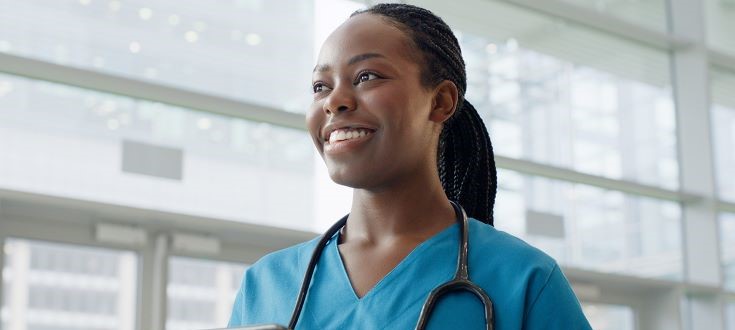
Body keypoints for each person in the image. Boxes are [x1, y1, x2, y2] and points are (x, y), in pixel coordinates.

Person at [229, 3, 592, 329]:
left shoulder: (524, 280)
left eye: (367, 76)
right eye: (320, 86)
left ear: (441, 101)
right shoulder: (266, 284)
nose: (334, 101)